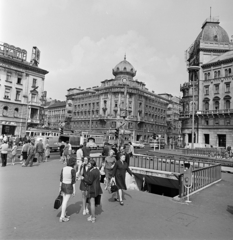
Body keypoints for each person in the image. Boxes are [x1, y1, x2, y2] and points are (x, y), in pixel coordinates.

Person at [59, 157, 76, 223]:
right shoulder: (72, 170)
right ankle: (62, 216)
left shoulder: (63, 168)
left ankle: (64, 215)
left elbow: (61, 178)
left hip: (63, 185)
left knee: (64, 200)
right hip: (69, 186)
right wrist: (74, 190)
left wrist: (59, 187)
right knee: (65, 201)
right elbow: (73, 181)